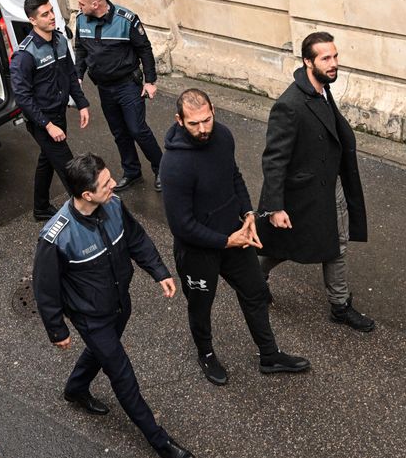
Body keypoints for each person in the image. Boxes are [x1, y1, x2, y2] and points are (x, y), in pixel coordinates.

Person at [32, 153, 194, 458]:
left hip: (119, 304)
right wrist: (57, 330)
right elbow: (45, 288)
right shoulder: (56, 237)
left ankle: (75, 388)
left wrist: (159, 271)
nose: (113, 184)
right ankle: (161, 442)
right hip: (91, 317)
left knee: (102, 352)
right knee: (122, 375)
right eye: (106, 183)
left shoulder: (114, 205)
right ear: (86, 194)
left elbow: (136, 239)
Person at [160, 88, 310, 386]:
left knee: (256, 292)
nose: (203, 129)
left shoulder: (224, 136)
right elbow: (181, 226)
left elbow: (234, 177)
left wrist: (248, 214)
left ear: (213, 111)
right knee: (201, 306)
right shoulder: (174, 165)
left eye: (207, 120)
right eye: (194, 123)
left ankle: (269, 355)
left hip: (235, 236)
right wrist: (226, 241)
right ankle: (205, 354)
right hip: (198, 251)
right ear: (179, 120)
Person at [256, 31, 374, 332]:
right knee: (286, 246)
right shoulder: (289, 105)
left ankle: (339, 304)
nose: (333, 63)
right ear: (308, 62)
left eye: (335, 56)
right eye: (326, 58)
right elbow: (274, 159)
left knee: (335, 244)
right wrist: (274, 207)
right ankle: (255, 279)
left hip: (329, 185)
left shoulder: (321, 89)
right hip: (304, 193)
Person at [74, 0, 162, 192]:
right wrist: (78, 75)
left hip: (128, 85)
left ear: (95, 4)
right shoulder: (81, 20)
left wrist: (150, 81)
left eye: (82, 3)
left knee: (137, 130)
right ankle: (132, 172)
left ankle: (162, 169)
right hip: (104, 88)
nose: (78, 6)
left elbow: (144, 49)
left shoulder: (126, 20)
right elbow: (81, 50)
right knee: (119, 132)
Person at [10, 0, 90, 221]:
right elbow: (23, 97)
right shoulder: (24, 55)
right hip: (42, 120)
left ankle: (41, 208)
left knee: (47, 160)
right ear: (32, 20)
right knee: (69, 167)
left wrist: (82, 103)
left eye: (52, 11)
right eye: (45, 14)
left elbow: (70, 75)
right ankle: (85, 213)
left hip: (59, 112)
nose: (52, 17)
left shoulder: (60, 40)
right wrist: (48, 125)